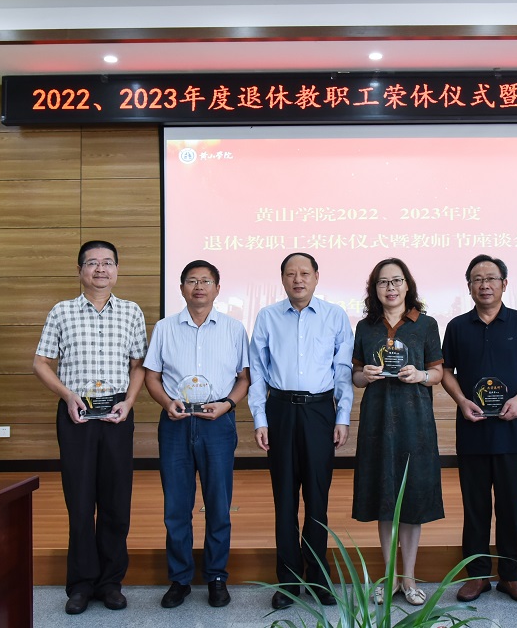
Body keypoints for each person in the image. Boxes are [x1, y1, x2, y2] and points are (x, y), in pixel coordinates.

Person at [33, 240, 147, 615]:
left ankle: (110, 583)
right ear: (80, 270)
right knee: (80, 502)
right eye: (93, 263)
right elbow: (41, 363)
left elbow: (139, 366)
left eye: (108, 262)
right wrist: (67, 395)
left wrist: (129, 402)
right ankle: (81, 584)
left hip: (117, 415)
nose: (101, 269)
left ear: (117, 270)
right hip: (76, 415)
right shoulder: (62, 311)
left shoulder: (131, 312)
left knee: (116, 502)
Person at [440, 254, 517, 604]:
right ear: (469, 286)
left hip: (512, 431)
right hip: (472, 430)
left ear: (504, 283)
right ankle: (477, 576)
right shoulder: (457, 326)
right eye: (477, 279)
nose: (484, 285)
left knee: (511, 507)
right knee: (475, 508)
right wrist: (461, 400)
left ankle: (511, 576)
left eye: (491, 278)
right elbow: (446, 371)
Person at [248, 252, 354, 610]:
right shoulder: (268, 317)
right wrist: (260, 419)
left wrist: (342, 416)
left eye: (304, 273)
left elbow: (342, 371)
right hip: (280, 410)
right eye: (291, 274)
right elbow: (258, 371)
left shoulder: (334, 316)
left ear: (316, 277)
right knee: (285, 501)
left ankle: (319, 578)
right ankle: (289, 581)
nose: (298, 280)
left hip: (319, 411)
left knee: (317, 501)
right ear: (282, 279)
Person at [143, 260, 250, 609]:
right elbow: (151, 376)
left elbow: (244, 378)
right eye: (192, 281)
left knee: (218, 505)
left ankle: (217, 576)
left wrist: (228, 405)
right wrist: (166, 403)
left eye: (206, 281)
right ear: (182, 288)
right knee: (176, 507)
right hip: (175, 422)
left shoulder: (234, 329)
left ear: (217, 288)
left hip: (217, 422)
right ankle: (180, 579)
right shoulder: (165, 328)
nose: (199, 286)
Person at [351, 258, 444, 607]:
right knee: (385, 499)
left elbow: (437, 372)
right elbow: (355, 376)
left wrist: (420, 375)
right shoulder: (366, 327)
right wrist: (365, 375)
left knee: (413, 499)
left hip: (415, 422)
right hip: (377, 422)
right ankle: (390, 577)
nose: (390, 288)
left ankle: (409, 578)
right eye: (383, 282)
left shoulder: (426, 324)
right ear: (374, 288)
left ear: (407, 285)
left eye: (396, 281)